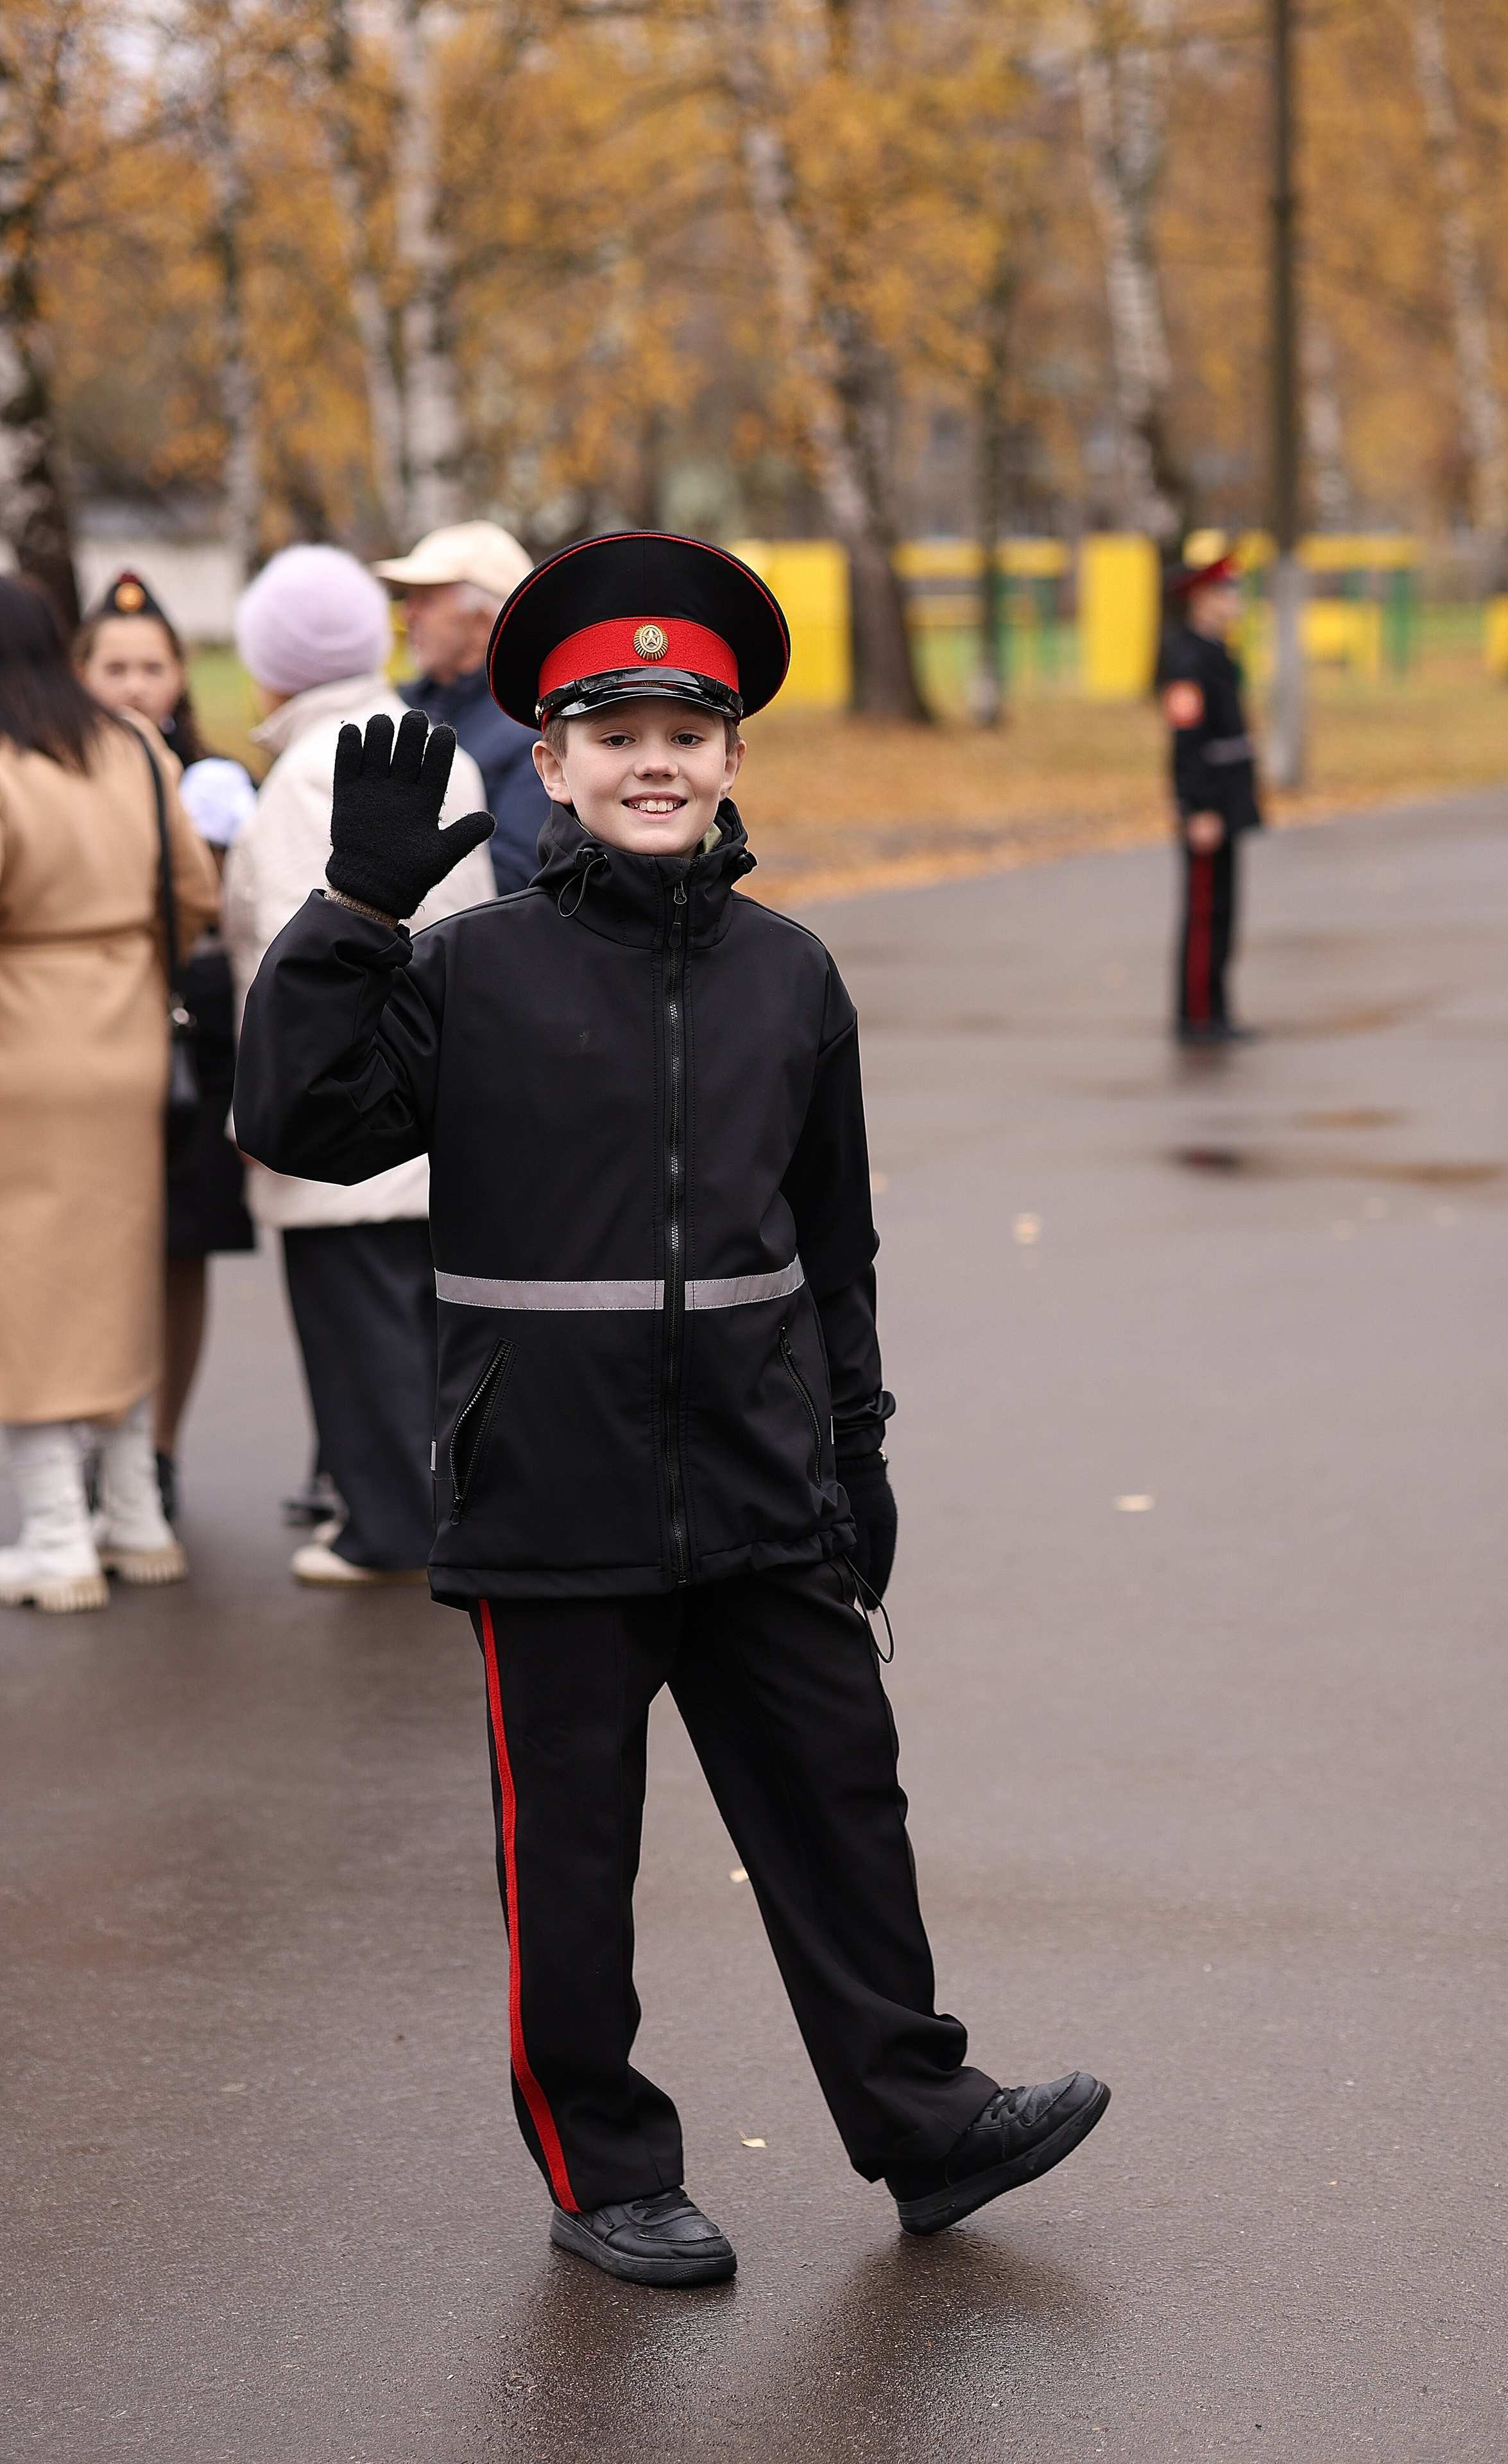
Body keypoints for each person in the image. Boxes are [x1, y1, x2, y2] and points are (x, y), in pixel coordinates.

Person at [234, 531, 1110, 2289]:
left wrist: (858, 1451)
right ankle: (606, 2163)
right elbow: (295, 1117)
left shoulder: (794, 976)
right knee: (573, 1859)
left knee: (843, 1807)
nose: (655, 759)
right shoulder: (470, 969)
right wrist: (354, 920)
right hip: (550, 1497)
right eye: (611, 729)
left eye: (689, 730)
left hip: (766, 1484)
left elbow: (834, 1245)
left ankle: (921, 2125)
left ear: (731, 758)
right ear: (547, 764)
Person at [222, 543, 495, 1585]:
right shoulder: (430, 740)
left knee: (360, 1330)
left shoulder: (304, 772)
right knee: (421, 1326)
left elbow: (305, 955)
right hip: (440, 1076)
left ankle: (383, 1525)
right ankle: (426, 1507)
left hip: (349, 1099)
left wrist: (271, 1101)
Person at [0, 574, 216, 1612]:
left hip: (22, 1044)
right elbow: (193, 892)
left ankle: (53, 1532)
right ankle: (133, 1513)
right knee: (125, 1263)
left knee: (28, 1284)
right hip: (130, 1033)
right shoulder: (134, 747)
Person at [76, 571, 259, 1519]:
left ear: (180, 676)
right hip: (86, 1033)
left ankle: (159, 1450)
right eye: (115, 667)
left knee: (181, 1244)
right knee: (88, 1244)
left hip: (195, 1029)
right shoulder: (49, 776)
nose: (135, 685)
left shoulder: (219, 781)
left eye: (151, 667)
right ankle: (88, 1437)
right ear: (81, 674)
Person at [372, 521, 542, 894]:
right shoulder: (395, 704)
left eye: (425, 600)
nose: (406, 615)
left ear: (484, 623)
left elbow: (512, 883)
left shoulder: (533, 736)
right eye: (408, 598)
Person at [1158, 552, 1263, 1043]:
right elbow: (1186, 742)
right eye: (1227, 593)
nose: (1235, 602)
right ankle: (1197, 1015)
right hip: (1208, 804)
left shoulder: (1217, 651)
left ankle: (1217, 1009)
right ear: (1202, 600)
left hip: (1227, 800)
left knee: (1223, 910)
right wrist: (1195, 807)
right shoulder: (1188, 658)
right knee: (1204, 912)